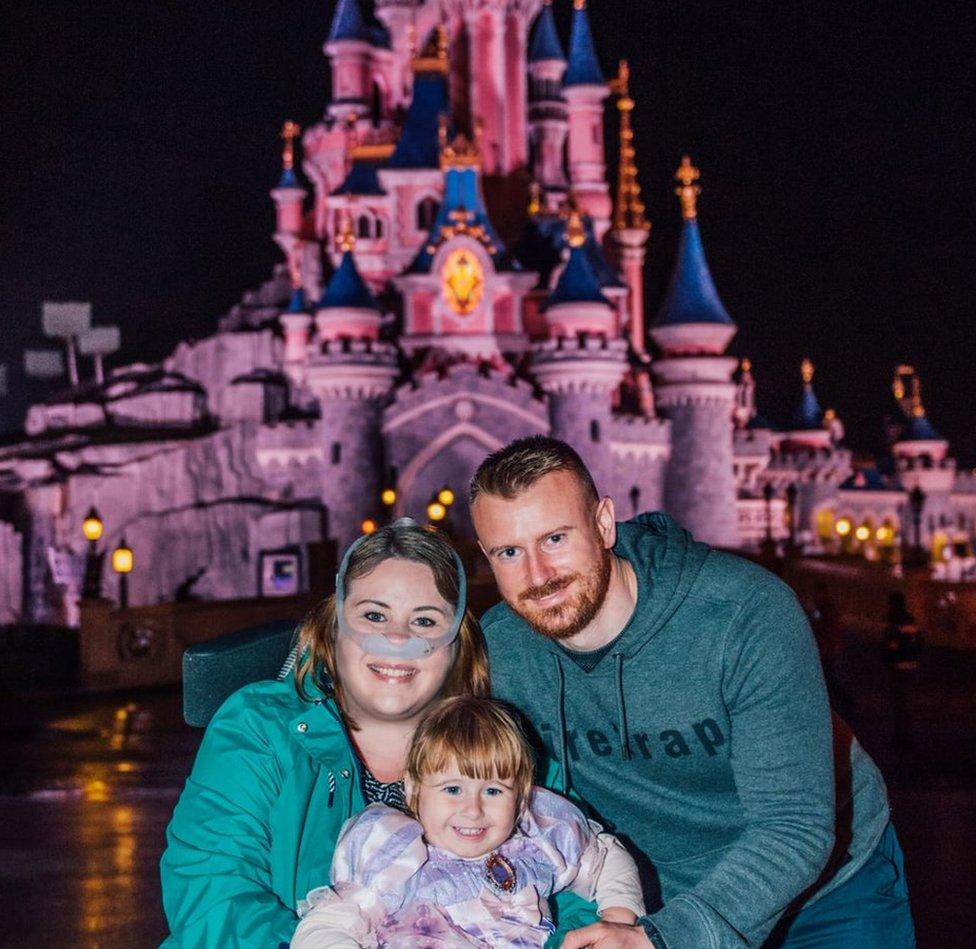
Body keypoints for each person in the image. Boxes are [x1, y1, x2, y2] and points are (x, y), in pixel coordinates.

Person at [469, 436, 915, 949]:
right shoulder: (501, 650)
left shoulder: (743, 613)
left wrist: (665, 938)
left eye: (555, 539)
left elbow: (794, 826)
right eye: (509, 552)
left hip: (828, 893)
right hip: (657, 900)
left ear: (604, 524)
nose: (538, 575)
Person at [159, 519, 490, 947]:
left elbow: (566, 861)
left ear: (456, 645)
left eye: (425, 621)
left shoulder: (492, 742)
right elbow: (211, 894)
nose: (396, 638)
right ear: (335, 629)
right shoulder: (259, 727)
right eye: (374, 615)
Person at [291, 696, 645, 947]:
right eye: (453, 789)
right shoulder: (398, 858)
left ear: (521, 797)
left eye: (493, 791)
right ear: (414, 789)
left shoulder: (538, 845)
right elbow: (327, 924)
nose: (473, 810)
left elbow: (604, 857)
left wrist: (617, 917)